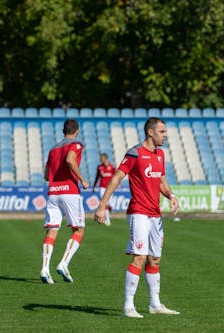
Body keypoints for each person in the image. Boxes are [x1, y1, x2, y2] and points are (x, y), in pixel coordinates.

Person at [94, 117, 180, 318]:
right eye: (162, 132)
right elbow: (116, 178)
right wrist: (101, 205)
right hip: (139, 212)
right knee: (140, 257)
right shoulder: (134, 153)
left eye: (165, 132)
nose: (165, 135)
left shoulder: (160, 154)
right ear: (150, 132)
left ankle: (155, 304)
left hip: (155, 214)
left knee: (155, 259)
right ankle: (128, 306)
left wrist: (171, 196)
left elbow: (161, 181)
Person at [40, 119, 89, 285]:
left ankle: (45, 268)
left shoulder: (53, 149)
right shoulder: (76, 144)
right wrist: (81, 179)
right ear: (77, 131)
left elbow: (46, 175)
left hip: (53, 192)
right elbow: (70, 159)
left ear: (63, 131)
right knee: (79, 230)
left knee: (52, 231)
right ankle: (64, 263)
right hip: (69, 192)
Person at [92, 153, 116, 226]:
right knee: (104, 203)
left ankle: (110, 207)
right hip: (102, 187)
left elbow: (115, 176)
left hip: (110, 187)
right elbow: (97, 177)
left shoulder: (111, 167)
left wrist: (118, 184)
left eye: (101, 158)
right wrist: (94, 185)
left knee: (110, 205)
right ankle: (107, 220)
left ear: (105, 158)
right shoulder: (99, 167)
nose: (100, 160)